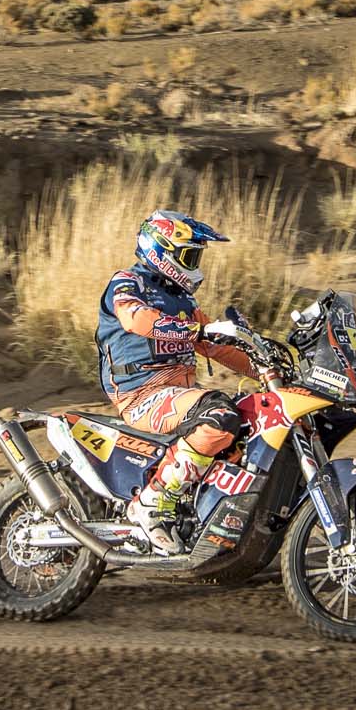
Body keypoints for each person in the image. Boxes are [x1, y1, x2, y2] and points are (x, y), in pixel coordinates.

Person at [95, 209, 257, 552]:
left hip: (178, 393)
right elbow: (136, 320)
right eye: (189, 256)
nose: (195, 264)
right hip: (141, 394)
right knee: (219, 416)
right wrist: (198, 330)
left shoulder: (183, 299)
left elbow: (216, 346)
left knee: (248, 422)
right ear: (161, 251)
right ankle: (152, 503)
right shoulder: (128, 283)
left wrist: (267, 369)